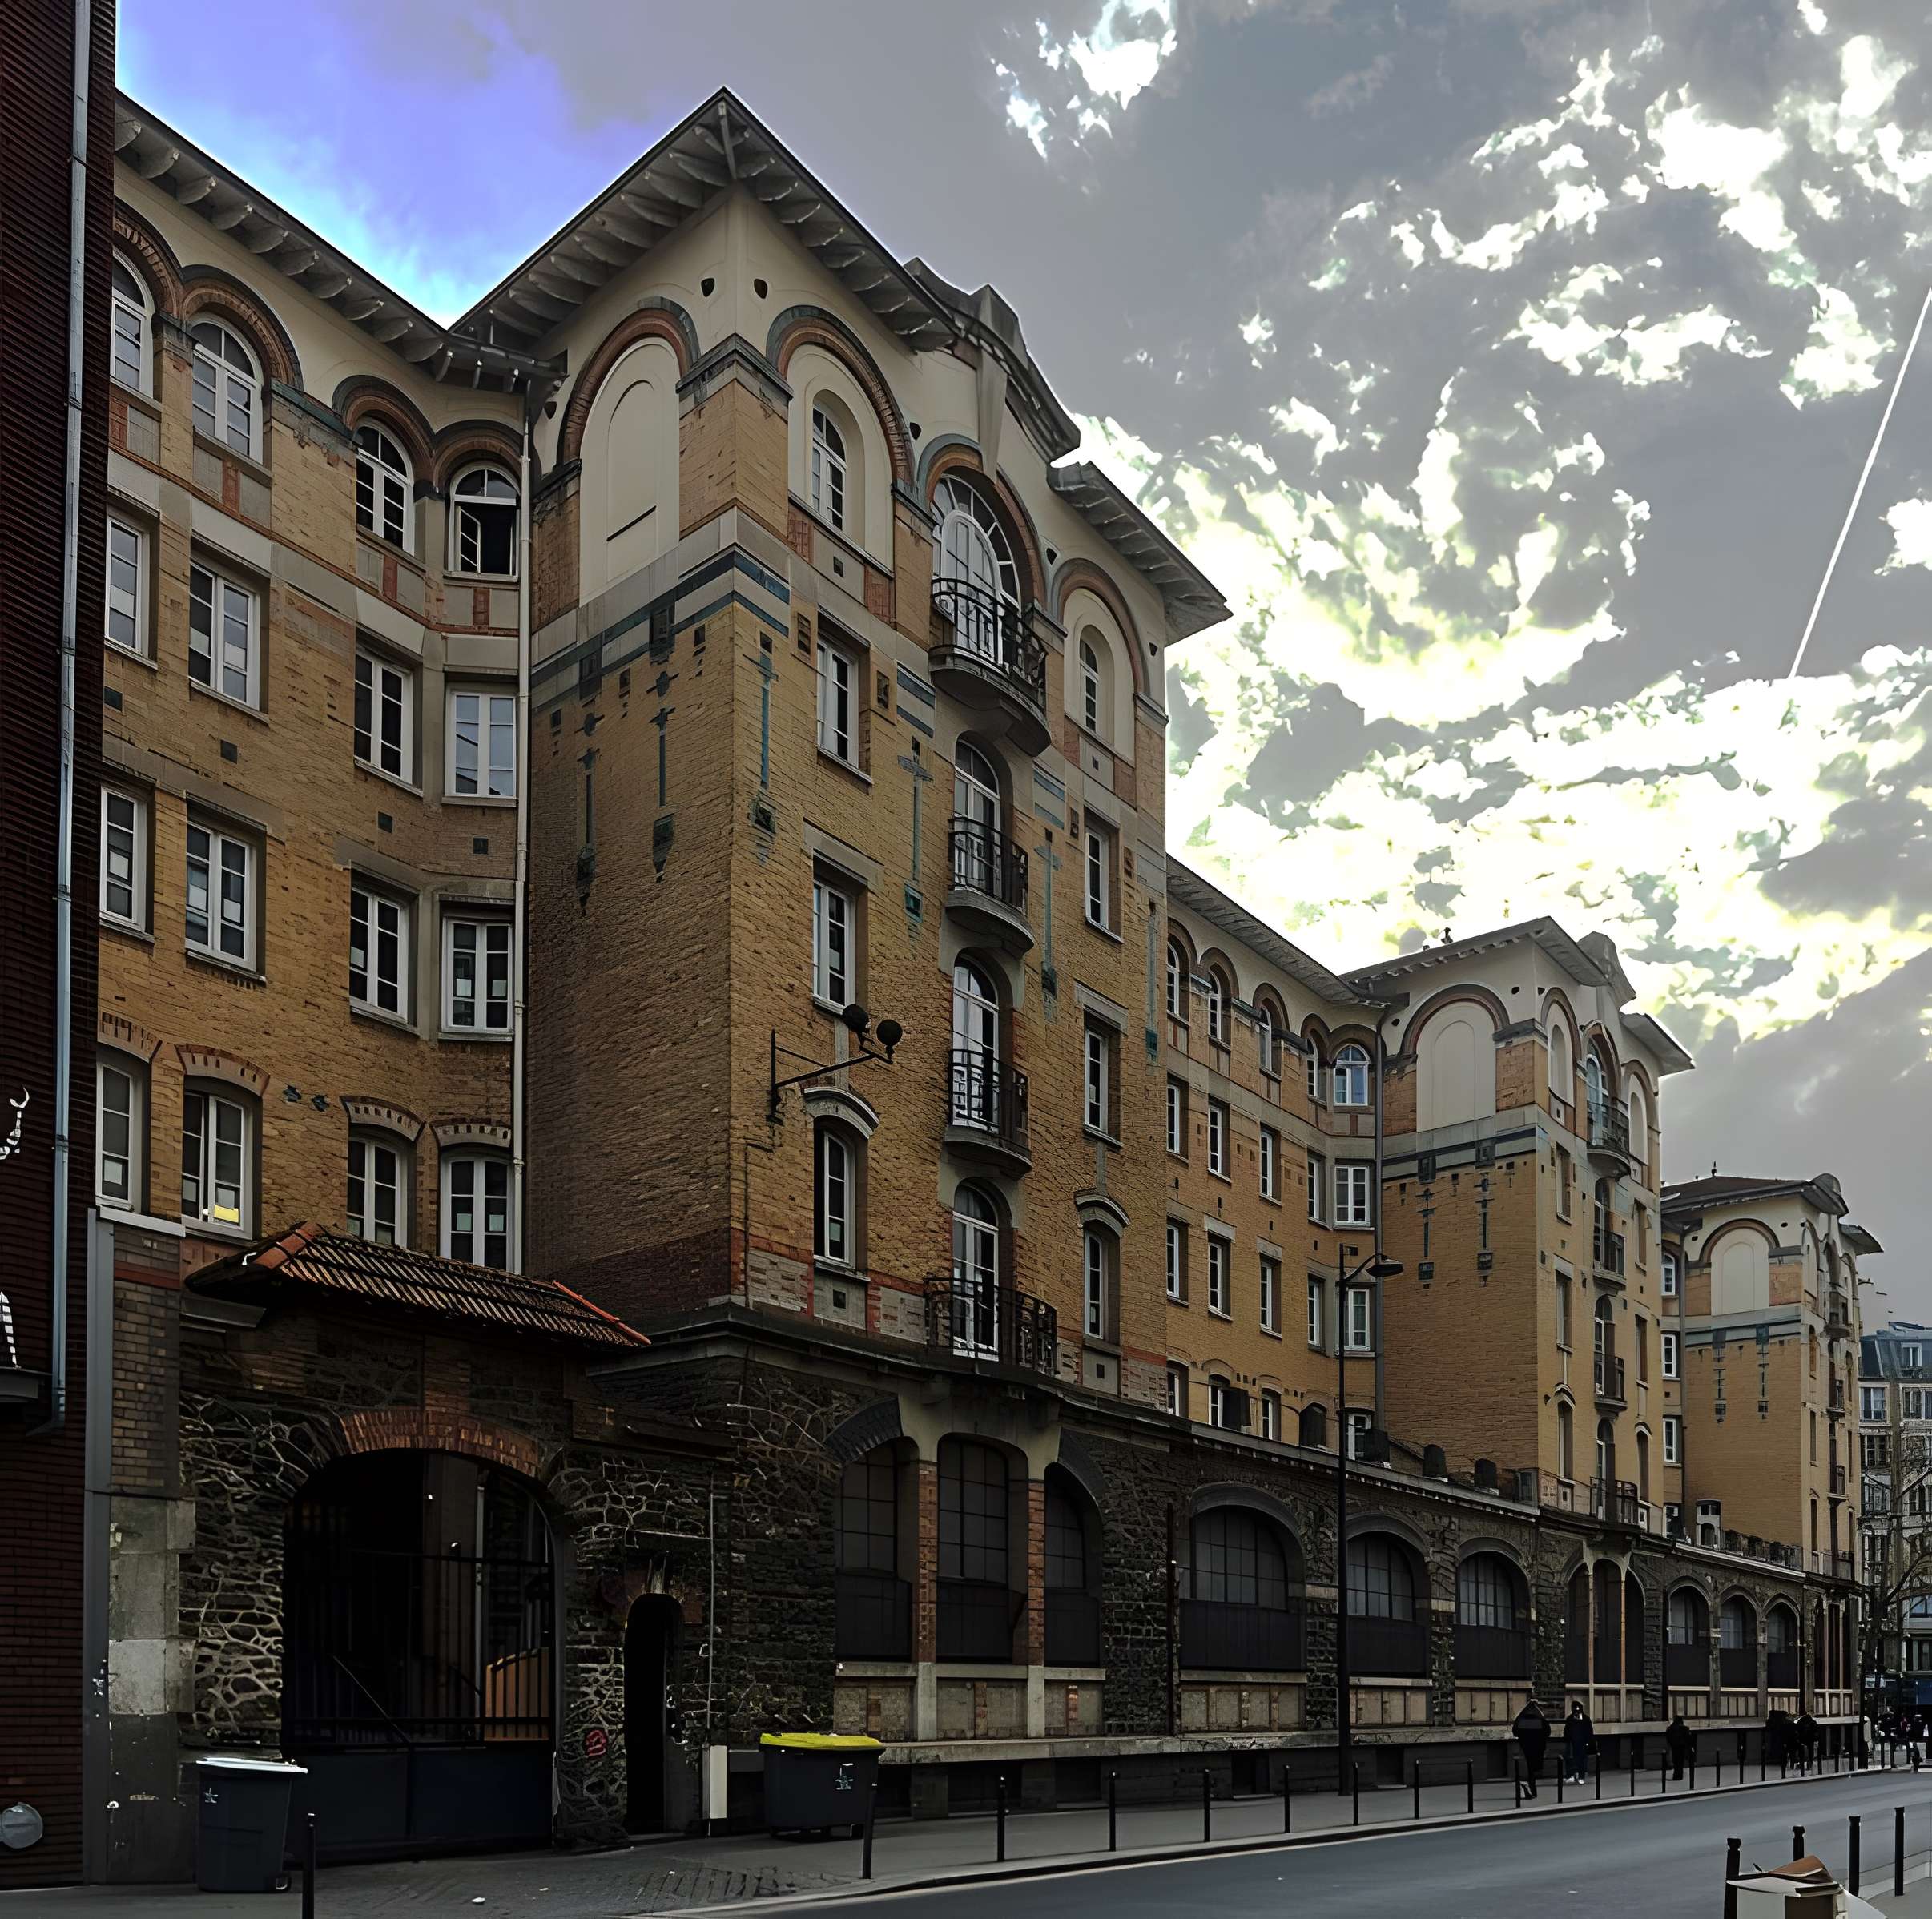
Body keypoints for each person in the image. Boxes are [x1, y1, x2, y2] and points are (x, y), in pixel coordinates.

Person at [1512, 1696, 1551, 1798]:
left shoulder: (1522, 1719)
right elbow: (1547, 1731)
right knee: (1533, 1771)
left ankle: (1525, 1790)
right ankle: (1532, 1791)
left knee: (1526, 1769)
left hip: (1524, 1747)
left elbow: (1515, 1731)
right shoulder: (1540, 1719)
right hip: (1537, 1748)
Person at [1563, 1699, 1594, 1784]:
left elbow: (1589, 1731)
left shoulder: (1576, 1718)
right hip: (1576, 1742)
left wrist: (1587, 1741)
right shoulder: (1578, 1718)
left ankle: (1578, 1776)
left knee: (1578, 1760)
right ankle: (1575, 1776)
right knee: (1574, 1759)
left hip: (1579, 1743)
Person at [1666, 1712, 1693, 1780]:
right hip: (1682, 1747)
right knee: (1680, 1761)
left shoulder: (1670, 1728)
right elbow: (1689, 1739)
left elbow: (1668, 1738)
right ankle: (1680, 1775)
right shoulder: (1685, 1728)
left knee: (1676, 1761)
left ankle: (1676, 1775)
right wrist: (1689, 1746)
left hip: (1674, 1747)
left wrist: (1671, 1744)